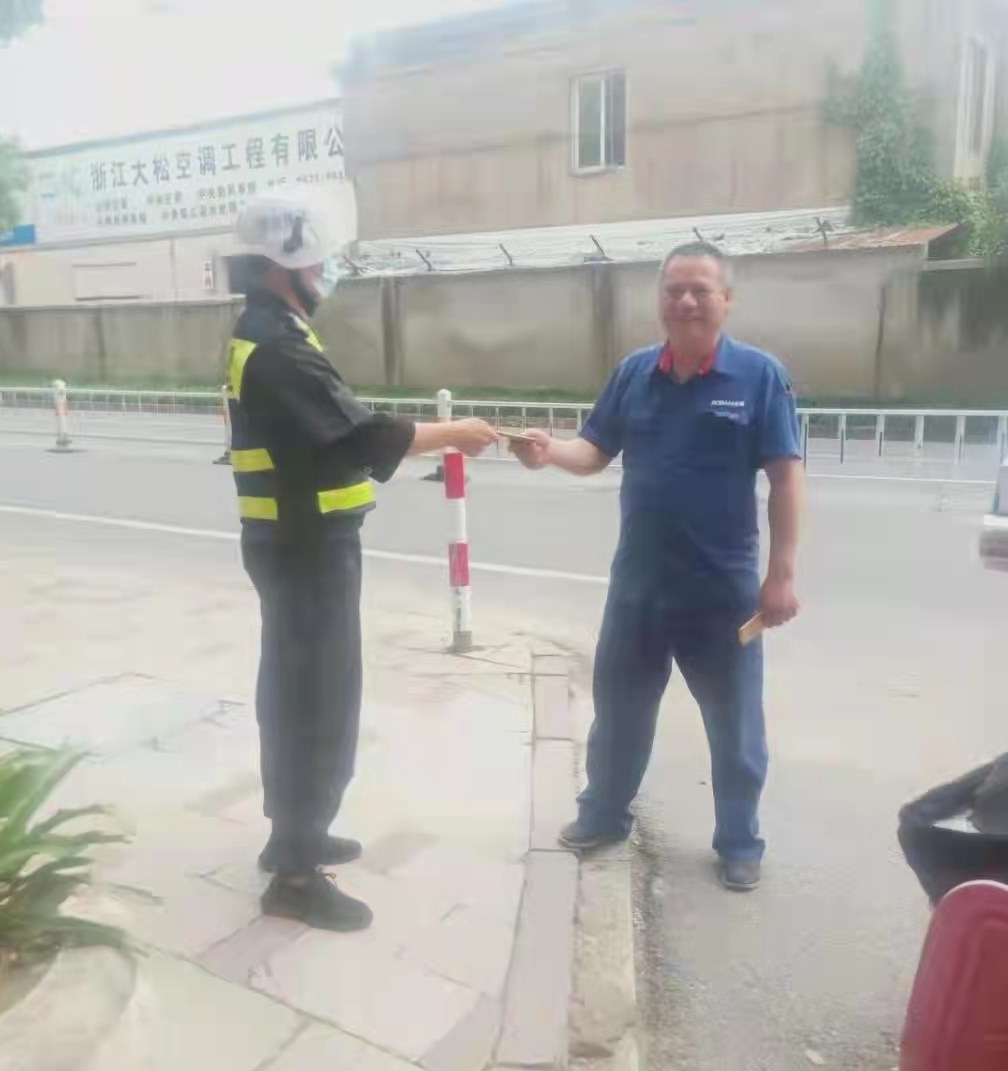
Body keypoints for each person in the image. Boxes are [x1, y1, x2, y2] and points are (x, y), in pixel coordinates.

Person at [227, 192, 498, 931]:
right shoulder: (275, 345)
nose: (328, 270)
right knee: (315, 701)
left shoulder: (273, 330)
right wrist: (455, 433)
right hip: (304, 549)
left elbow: (331, 430)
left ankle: (297, 833)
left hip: (298, 545)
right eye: (319, 259)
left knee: (301, 692)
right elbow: (357, 436)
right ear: (284, 264)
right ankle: (294, 873)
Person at [508, 241, 804, 891]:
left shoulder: (759, 376)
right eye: (674, 290)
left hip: (721, 591)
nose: (686, 301)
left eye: (700, 289)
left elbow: (786, 478)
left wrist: (781, 575)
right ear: (660, 300)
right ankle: (604, 815)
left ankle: (739, 840)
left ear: (727, 299)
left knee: (734, 724)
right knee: (619, 710)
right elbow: (593, 451)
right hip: (638, 584)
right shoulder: (634, 373)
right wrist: (548, 450)